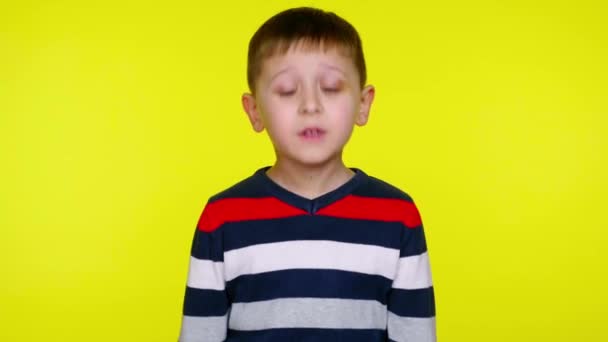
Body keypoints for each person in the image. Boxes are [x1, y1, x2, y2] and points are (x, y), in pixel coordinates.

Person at [179, 6, 436, 342]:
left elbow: (415, 334)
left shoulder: (398, 216)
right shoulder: (222, 218)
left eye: (330, 87)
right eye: (287, 90)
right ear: (254, 110)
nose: (310, 105)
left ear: (363, 103)